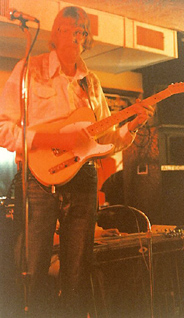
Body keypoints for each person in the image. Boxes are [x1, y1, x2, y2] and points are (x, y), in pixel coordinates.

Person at [0, 6, 154, 318]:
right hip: (37, 178)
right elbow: (4, 129)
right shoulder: (29, 69)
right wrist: (55, 140)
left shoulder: (91, 83)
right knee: (32, 269)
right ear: (53, 35)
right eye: (67, 27)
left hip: (83, 178)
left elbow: (105, 142)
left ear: (86, 39)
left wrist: (133, 124)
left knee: (77, 271)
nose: (76, 32)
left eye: (82, 29)